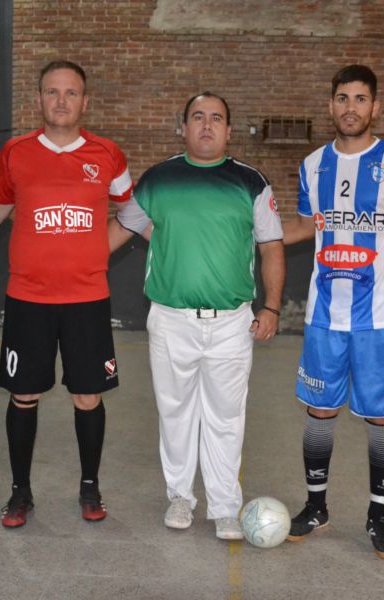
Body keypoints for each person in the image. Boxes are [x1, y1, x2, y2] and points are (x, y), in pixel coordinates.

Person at [109, 92, 286, 540]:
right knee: (176, 413)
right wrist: (69, 264)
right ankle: (181, 498)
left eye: (217, 119)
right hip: (171, 320)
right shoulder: (158, 180)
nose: (207, 126)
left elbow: (271, 247)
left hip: (231, 322)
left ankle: (226, 507)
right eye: (198, 118)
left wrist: (270, 306)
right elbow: (124, 226)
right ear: (183, 126)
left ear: (229, 130)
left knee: (227, 417)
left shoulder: (251, 182)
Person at [281, 65, 384, 559]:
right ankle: (316, 506)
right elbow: (306, 225)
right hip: (326, 317)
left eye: (360, 99)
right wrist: (254, 232)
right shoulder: (312, 165)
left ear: (375, 107)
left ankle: (377, 516)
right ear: (330, 106)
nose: (350, 108)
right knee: (320, 411)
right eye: (342, 98)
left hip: (380, 321)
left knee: (380, 420)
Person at [0, 60, 134, 528]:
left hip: (87, 298)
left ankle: (89, 487)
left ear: (84, 102)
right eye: (52, 92)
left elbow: (132, 213)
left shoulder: (107, 154)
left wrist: (98, 248)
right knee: (23, 394)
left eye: (70, 93)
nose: (61, 101)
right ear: (38, 100)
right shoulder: (14, 152)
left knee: (87, 396)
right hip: (28, 298)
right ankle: (20, 493)